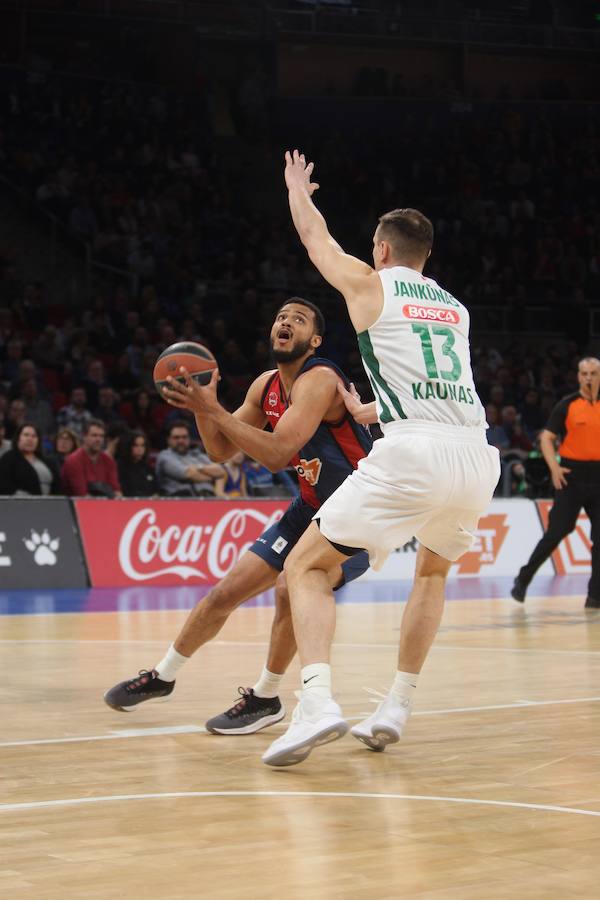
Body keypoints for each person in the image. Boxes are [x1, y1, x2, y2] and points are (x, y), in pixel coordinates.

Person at [260, 151, 500, 768]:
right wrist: (372, 412)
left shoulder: (370, 284)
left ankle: (315, 703)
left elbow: (314, 238)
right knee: (432, 575)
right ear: (427, 257)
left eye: (373, 248)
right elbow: (438, 385)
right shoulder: (455, 309)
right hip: (475, 456)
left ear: (383, 252)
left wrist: (296, 189)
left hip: (414, 455)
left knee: (305, 570)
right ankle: (396, 704)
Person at [103, 297, 372, 737]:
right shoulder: (265, 385)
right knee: (225, 592)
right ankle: (163, 676)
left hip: (356, 511)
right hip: (308, 508)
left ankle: (266, 696)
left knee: (290, 586)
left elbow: (277, 453)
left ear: (314, 340)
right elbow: (221, 450)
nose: (286, 321)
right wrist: (202, 406)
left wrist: (213, 411)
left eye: (298, 319)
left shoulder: (319, 379)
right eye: (281, 316)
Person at [511, 357, 600, 608]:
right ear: (578, 376)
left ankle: (595, 596)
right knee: (557, 531)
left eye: (593, 373)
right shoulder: (568, 404)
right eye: (584, 373)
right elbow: (546, 438)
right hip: (571, 476)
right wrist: (554, 467)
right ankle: (523, 578)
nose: (589, 378)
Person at [155, 421, 224, 497]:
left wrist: (198, 467)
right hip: (178, 500)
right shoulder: (165, 456)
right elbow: (189, 474)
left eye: (184, 437)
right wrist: (212, 476)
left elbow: (220, 471)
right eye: (176, 437)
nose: (181, 441)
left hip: (208, 498)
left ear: (189, 438)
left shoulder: (197, 454)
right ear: (168, 439)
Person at [61, 418, 123, 497]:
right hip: (77, 507)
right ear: (84, 436)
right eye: (94, 435)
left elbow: (117, 491)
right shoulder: (73, 461)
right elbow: (82, 495)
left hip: (106, 505)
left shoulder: (109, 461)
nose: (98, 439)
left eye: (101, 436)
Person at [0, 423, 61, 495]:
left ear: (38, 441)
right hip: (20, 504)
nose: (30, 439)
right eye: (26, 435)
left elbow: (58, 487)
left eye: (34, 436)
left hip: (49, 504)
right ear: (18, 438)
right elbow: (4, 486)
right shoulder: (8, 459)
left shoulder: (48, 462)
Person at [117, 430, 158, 497]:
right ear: (128, 446)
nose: (140, 449)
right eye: (135, 445)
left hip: (149, 505)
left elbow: (155, 490)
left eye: (142, 445)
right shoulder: (119, 467)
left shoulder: (148, 468)